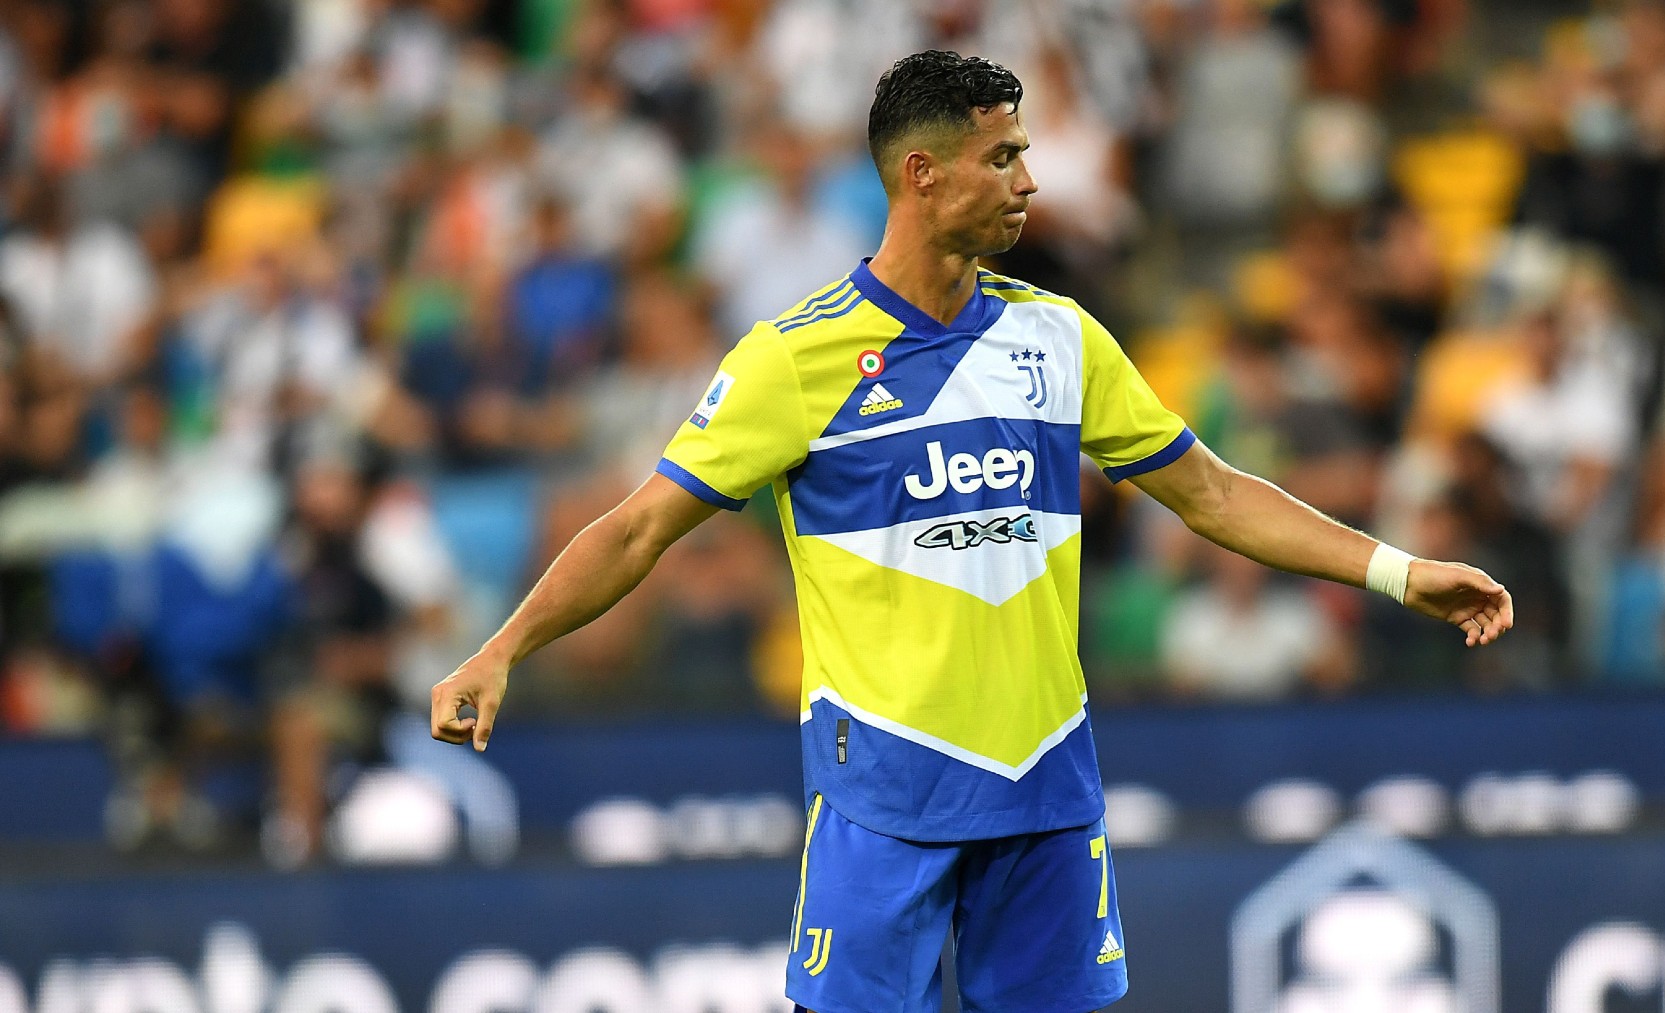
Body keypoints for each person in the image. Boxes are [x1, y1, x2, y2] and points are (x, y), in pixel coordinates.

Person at [430, 50, 1514, 1013]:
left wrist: (1396, 569)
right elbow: (636, 530)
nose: (1030, 182)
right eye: (1003, 157)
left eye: (1027, 154)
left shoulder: (1058, 336)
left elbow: (1214, 493)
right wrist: (502, 645)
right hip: (884, 800)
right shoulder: (793, 360)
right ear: (922, 173)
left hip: (1044, 790)